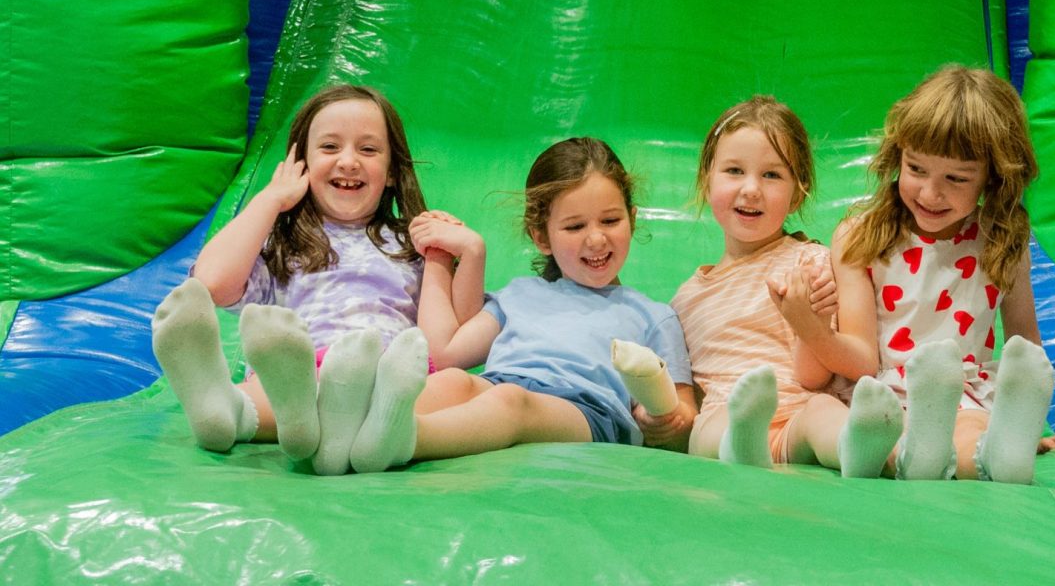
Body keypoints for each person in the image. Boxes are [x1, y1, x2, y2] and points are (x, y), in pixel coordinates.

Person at [151, 84, 485, 476]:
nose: (349, 161)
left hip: (385, 383)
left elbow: (453, 340)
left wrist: (457, 254)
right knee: (282, 382)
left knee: (447, 385)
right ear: (302, 163)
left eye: (368, 149)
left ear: (393, 171)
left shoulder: (411, 244)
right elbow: (213, 283)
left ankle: (269, 419)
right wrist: (271, 199)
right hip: (298, 373)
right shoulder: (282, 241)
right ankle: (229, 410)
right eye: (329, 147)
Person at [339, 137, 695, 474]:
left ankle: (403, 438)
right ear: (541, 236)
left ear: (632, 219)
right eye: (574, 226)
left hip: (589, 411)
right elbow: (445, 353)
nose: (597, 238)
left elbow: (682, 412)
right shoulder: (520, 295)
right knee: (454, 382)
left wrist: (664, 419)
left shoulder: (652, 316)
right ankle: (346, 431)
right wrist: (448, 255)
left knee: (511, 402)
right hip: (499, 384)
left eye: (611, 220)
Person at [819, 65, 1055, 484]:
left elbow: (1025, 347)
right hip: (880, 393)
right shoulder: (861, 235)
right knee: (881, 434)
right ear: (897, 155)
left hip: (963, 393)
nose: (930, 193)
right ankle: (918, 454)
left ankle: (996, 457)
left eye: (956, 178)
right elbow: (860, 356)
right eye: (916, 169)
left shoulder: (999, 239)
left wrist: (1025, 424)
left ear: (993, 177)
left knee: (970, 434)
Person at [654, 95, 904, 477]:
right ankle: (745, 442)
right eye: (734, 171)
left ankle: (854, 448)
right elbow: (692, 397)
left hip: (794, 415)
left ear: (797, 194)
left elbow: (817, 376)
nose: (751, 189)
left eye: (771, 175)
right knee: (713, 426)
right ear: (707, 180)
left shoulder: (809, 264)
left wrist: (810, 321)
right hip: (726, 417)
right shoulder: (686, 300)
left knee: (823, 411)